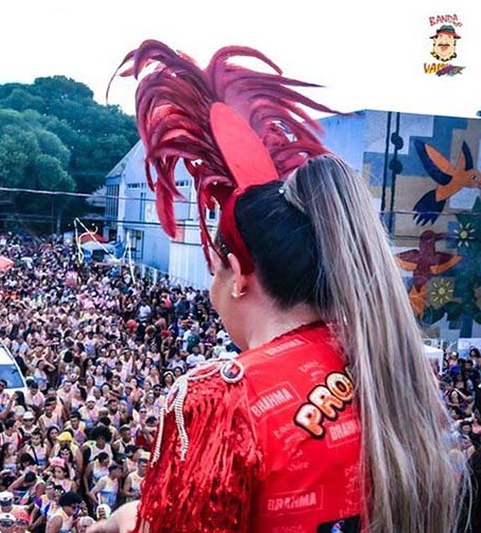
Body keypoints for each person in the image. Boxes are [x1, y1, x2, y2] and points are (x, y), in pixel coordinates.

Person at [90, 40, 463, 533]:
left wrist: (117, 524)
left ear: (237, 276)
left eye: (213, 270)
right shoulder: (386, 367)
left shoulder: (220, 400)